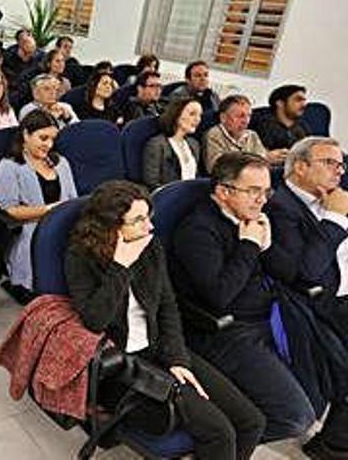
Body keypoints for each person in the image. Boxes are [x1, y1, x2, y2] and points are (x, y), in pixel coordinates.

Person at [66, 180, 264, 460]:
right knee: (220, 434)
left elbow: (167, 307)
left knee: (251, 422)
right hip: (121, 365)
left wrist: (177, 360)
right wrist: (119, 267)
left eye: (148, 217)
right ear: (112, 227)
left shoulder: (150, 246)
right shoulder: (81, 256)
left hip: (158, 348)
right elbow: (95, 320)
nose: (149, 227)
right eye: (138, 220)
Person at [171, 152, 348, 458]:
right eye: (253, 191)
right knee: (296, 417)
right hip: (227, 330)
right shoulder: (197, 230)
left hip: (271, 317)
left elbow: (286, 272)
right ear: (224, 192)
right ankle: (218, 441)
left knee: (320, 396)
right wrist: (249, 245)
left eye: (267, 191)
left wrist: (264, 245)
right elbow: (219, 296)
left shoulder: (253, 218)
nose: (262, 199)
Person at [0, 110, 77, 303]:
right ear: (25, 135)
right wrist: (49, 210)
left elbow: (73, 198)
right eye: (43, 138)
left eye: (52, 139)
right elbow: (9, 211)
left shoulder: (61, 162)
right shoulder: (9, 166)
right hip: (31, 230)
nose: (48, 144)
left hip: (63, 225)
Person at [267, 137, 348, 331]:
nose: (340, 171)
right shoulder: (279, 209)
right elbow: (306, 272)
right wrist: (334, 218)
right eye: (330, 163)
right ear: (301, 167)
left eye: (341, 164)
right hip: (329, 305)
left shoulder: (335, 198)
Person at [142, 98, 202, 190]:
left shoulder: (194, 144)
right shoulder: (156, 145)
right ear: (176, 115)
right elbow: (151, 183)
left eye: (200, 115)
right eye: (192, 114)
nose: (197, 119)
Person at [204, 95, 272, 172]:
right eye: (240, 116)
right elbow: (214, 167)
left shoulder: (252, 135)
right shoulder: (214, 134)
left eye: (248, 116)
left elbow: (263, 164)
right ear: (223, 118)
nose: (246, 121)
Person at [258, 84, 310, 154]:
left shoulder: (303, 126)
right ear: (280, 103)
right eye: (298, 100)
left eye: (304, 100)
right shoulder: (262, 123)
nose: (304, 105)